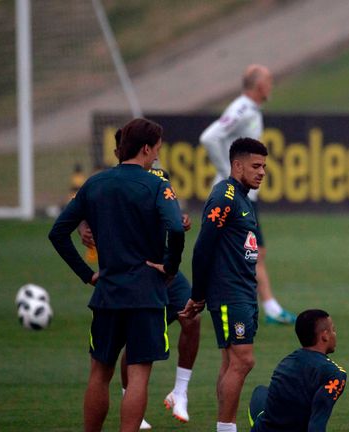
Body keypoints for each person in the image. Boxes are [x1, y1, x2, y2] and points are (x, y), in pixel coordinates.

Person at [48, 118, 185, 432]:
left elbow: (58, 233)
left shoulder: (95, 183)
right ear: (146, 148)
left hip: (108, 292)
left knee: (99, 373)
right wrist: (171, 266)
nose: (157, 158)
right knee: (137, 376)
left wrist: (88, 275)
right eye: (156, 152)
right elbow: (176, 228)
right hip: (146, 296)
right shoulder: (157, 185)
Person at [77, 167, 200, 429]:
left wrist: (180, 219)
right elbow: (81, 208)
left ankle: (180, 392)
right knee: (133, 345)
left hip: (162, 268)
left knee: (192, 316)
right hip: (135, 272)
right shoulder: (110, 181)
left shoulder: (158, 177)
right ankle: (129, 400)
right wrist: (82, 227)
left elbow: (167, 212)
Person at [180, 137, 268, 432]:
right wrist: (199, 294)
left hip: (242, 291)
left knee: (231, 361)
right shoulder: (225, 196)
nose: (262, 172)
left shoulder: (242, 197)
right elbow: (203, 247)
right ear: (236, 165)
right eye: (256, 166)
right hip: (230, 293)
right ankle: (226, 428)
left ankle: (224, 427)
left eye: (264, 166)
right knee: (243, 361)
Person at [200, 64, 295, 325]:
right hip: (233, 196)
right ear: (259, 85)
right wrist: (230, 172)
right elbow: (209, 137)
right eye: (269, 81)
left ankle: (267, 307)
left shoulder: (251, 110)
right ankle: (248, 306)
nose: (272, 86)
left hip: (244, 195)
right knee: (245, 251)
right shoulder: (240, 109)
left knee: (254, 250)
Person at [248, 309, 347, 431]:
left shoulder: (286, 362)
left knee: (260, 392)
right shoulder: (334, 374)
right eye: (333, 330)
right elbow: (317, 422)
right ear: (325, 335)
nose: (334, 334)